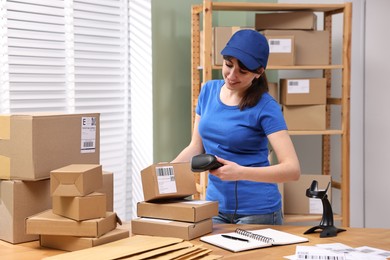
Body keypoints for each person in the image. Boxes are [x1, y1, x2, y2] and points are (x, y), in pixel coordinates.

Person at [171, 29, 301, 225]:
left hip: (258, 211)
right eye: (228, 65)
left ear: (259, 73)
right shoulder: (207, 90)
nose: (231, 75)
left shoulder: (266, 106)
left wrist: (240, 172)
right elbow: (195, 147)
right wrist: (165, 172)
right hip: (215, 207)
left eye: (243, 71)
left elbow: (292, 170)